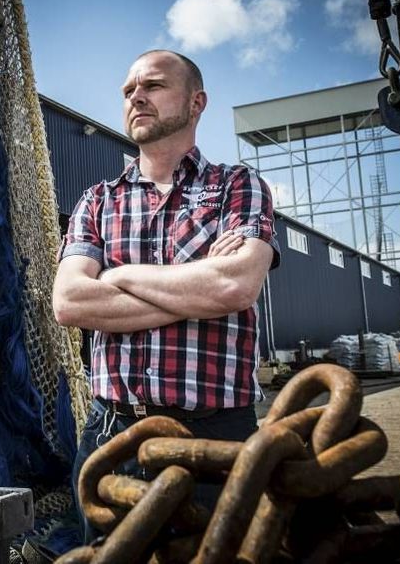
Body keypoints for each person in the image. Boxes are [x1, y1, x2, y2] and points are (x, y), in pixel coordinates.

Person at [51, 49, 280, 541]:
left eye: (153, 86)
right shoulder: (97, 201)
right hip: (112, 435)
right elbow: (70, 302)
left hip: (214, 436)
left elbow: (233, 285)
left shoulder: (237, 187)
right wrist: (193, 279)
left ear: (197, 102)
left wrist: (115, 276)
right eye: (129, 90)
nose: (136, 96)